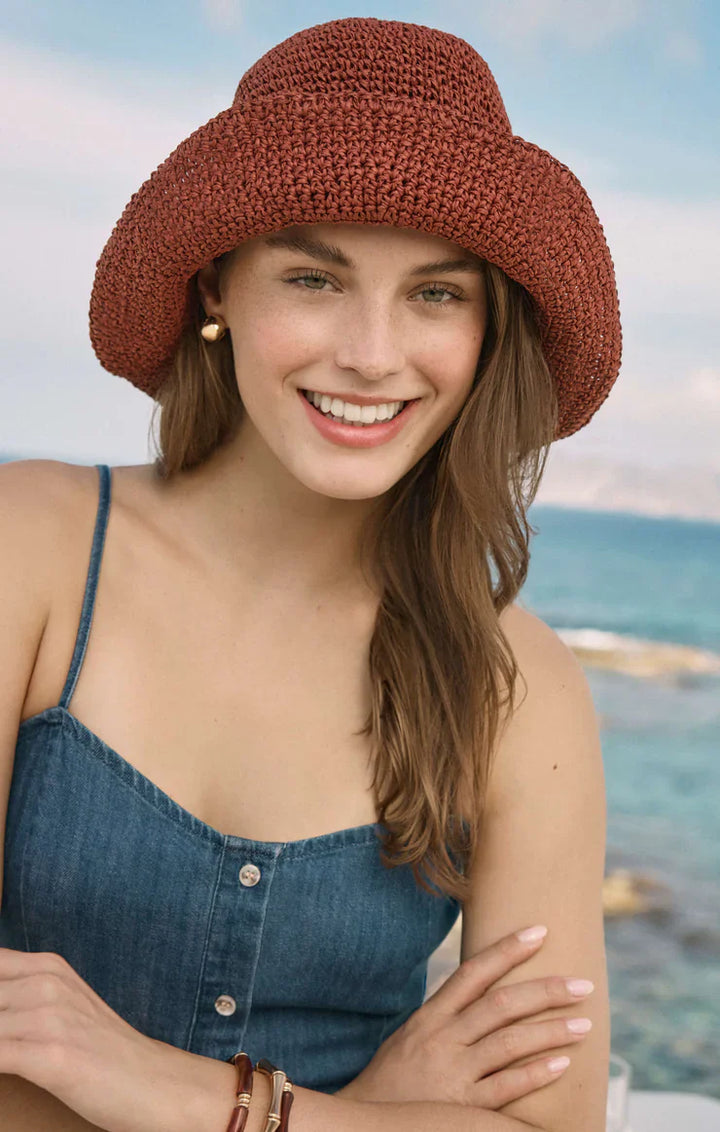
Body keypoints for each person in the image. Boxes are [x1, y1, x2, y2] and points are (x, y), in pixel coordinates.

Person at [0, 16, 620, 1132]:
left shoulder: (515, 685)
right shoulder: (31, 546)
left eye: (437, 294)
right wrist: (372, 1113)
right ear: (216, 291)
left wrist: (231, 1107)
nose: (373, 355)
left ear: (487, 335)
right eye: (314, 277)